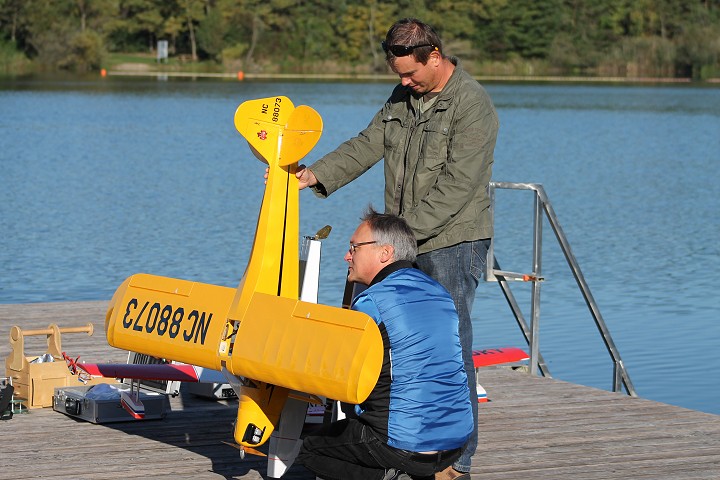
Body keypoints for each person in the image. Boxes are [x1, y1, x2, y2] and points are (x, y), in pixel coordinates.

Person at [296, 17, 499, 479]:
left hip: (453, 240)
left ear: (434, 56)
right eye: (398, 75)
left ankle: (454, 460)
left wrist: (394, 240)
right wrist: (315, 175)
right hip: (400, 242)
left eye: (410, 74)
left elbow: (457, 188)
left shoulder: (472, 105)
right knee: (385, 346)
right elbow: (369, 143)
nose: (404, 82)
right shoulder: (402, 97)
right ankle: (390, 442)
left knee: (448, 346)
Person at [297, 208, 473, 480]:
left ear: (385, 253)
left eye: (354, 248)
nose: (347, 256)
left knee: (312, 449)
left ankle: (391, 476)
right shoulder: (439, 292)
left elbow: (346, 375)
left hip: (404, 445)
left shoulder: (373, 301)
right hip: (456, 441)